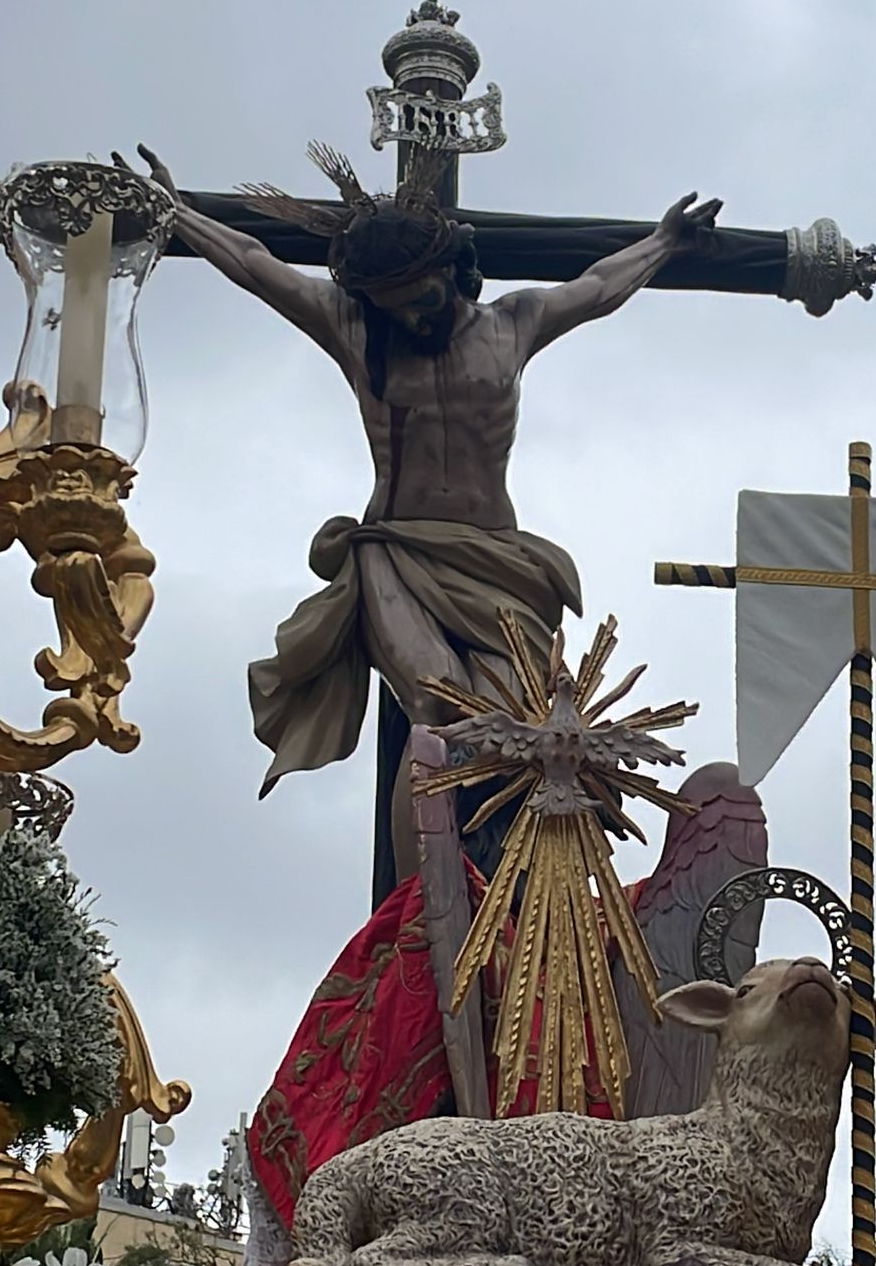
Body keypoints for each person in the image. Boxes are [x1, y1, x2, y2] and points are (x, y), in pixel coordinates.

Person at [124, 140, 720, 875]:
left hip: (495, 560)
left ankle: (495, 890)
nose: (410, 320)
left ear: (451, 271)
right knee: (440, 703)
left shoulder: (512, 324)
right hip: (397, 551)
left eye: (423, 301)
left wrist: (664, 242)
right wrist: (177, 213)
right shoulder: (355, 329)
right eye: (394, 309)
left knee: (514, 720)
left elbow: (598, 287)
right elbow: (254, 264)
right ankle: (417, 909)